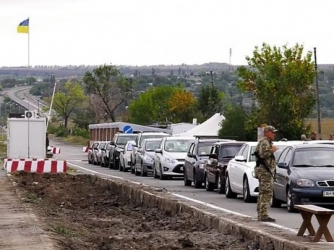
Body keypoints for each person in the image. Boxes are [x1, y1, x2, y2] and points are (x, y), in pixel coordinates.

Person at [254, 125, 278, 222]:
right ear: (267, 132)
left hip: (265, 170)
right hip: (265, 171)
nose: (274, 134)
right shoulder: (265, 142)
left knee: (263, 192)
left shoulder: (266, 142)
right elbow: (262, 155)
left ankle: (261, 213)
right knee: (266, 192)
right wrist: (272, 150)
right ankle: (263, 214)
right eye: (272, 132)